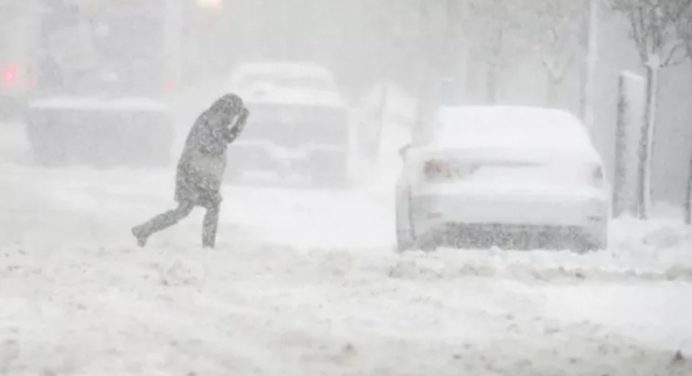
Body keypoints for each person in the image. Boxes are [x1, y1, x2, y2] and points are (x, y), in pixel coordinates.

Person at [132, 93, 249, 248]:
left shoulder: (212, 119)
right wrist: (241, 122)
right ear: (228, 110)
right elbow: (218, 143)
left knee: (187, 209)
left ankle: (145, 229)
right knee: (203, 207)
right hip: (195, 174)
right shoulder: (213, 120)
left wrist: (240, 122)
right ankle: (207, 245)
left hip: (196, 172)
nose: (233, 118)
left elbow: (226, 138)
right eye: (234, 114)